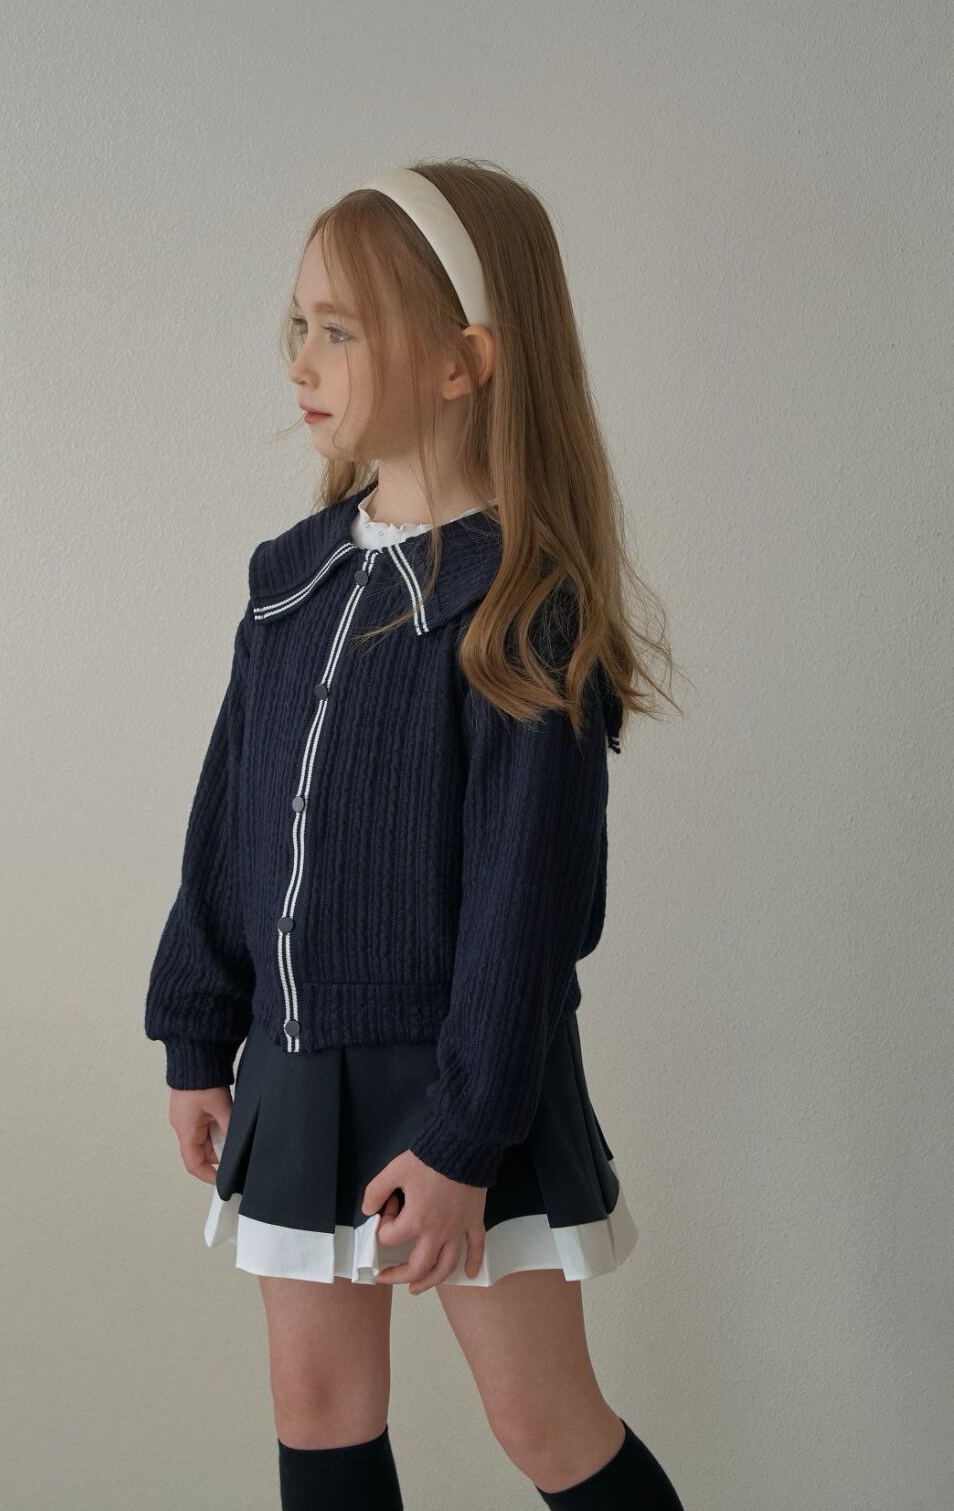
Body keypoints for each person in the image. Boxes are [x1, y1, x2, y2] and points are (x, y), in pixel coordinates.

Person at [145, 161, 684, 1509]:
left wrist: (464, 1138)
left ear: (462, 362)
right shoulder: (291, 578)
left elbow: (528, 910)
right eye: (299, 325)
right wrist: (197, 1030)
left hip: (467, 1080)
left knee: (542, 1421)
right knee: (317, 1404)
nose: (301, 361)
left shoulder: (520, 606)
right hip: (292, 1060)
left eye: (340, 330)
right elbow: (230, 819)